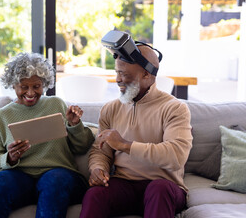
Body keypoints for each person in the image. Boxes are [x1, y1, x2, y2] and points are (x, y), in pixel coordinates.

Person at [80, 30, 193, 218]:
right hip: (124, 184)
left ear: (147, 75)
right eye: (117, 73)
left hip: (164, 186)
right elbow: (101, 151)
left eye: (124, 75)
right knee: (95, 195)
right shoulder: (111, 109)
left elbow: (176, 156)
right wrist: (97, 169)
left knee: (158, 189)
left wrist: (125, 145)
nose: (117, 80)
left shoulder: (174, 108)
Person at [0, 52, 94, 218]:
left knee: (53, 181)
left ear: (44, 84)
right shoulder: (2, 116)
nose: (31, 93)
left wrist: (74, 125)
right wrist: (10, 158)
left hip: (59, 176)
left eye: (36, 86)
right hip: (19, 178)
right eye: (24, 87)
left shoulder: (56, 104)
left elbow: (82, 146)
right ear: (13, 85)